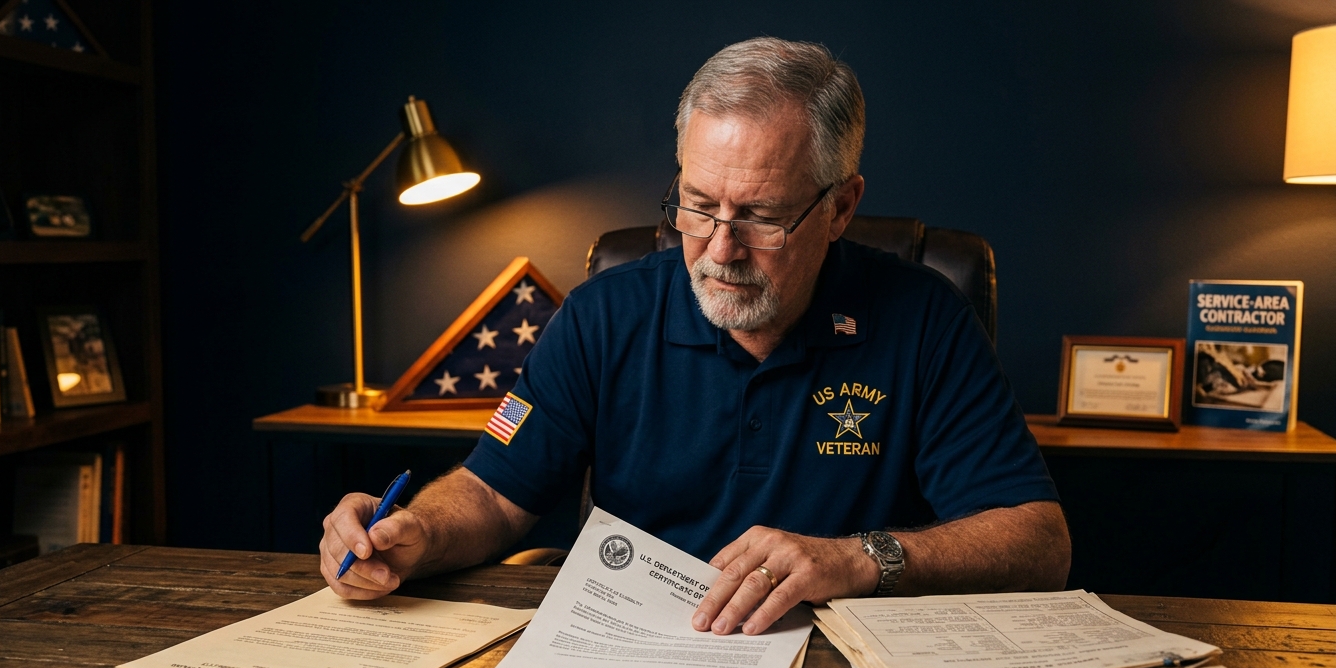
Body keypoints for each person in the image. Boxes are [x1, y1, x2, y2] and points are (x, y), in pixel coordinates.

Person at [319, 37, 1070, 636]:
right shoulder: (601, 317)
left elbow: (1040, 543)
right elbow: (490, 496)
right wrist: (414, 531)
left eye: (761, 216)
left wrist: (859, 559)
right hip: (631, 651)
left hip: (849, 662)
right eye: (697, 204)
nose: (719, 249)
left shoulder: (926, 318)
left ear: (841, 207)